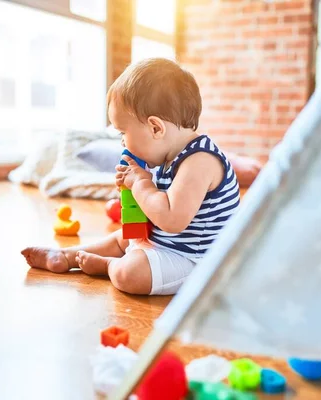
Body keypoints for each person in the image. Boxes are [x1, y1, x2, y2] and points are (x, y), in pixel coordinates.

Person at [21, 58, 240, 295]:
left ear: (155, 128)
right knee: (122, 239)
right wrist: (129, 191)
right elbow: (154, 206)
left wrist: (141, 183)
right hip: (165, 244)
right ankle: (68, 255)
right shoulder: (166, 157)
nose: (123, 141)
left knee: (131, 272)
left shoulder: (199, 161)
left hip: (197, 261)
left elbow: (172, 219)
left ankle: (109, 266)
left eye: (123, 132)